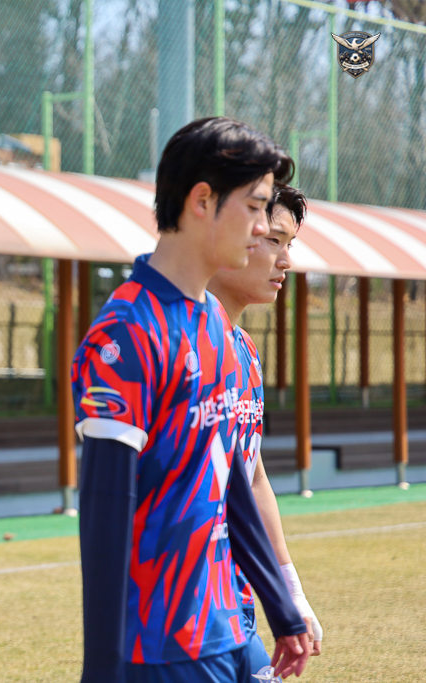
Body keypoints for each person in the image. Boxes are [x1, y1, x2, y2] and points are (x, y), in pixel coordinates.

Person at [71, 117, 311, 683]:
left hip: (228, 626)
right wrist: (101, 669)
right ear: (202, 201)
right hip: (161, 646)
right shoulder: (126, 333)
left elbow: (229, 479)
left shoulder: (216, 327)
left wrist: (281, 605)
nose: (262, 228)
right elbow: (105, 513)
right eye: (254, 208)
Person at [207, 183, 324, 678]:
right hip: (186, 611)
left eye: (289, 244)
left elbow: (251, 476)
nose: (287, 260)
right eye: (274, 240)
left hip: (238, 599)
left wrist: (290, 590)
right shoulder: (179, 343)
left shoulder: (245, 351)